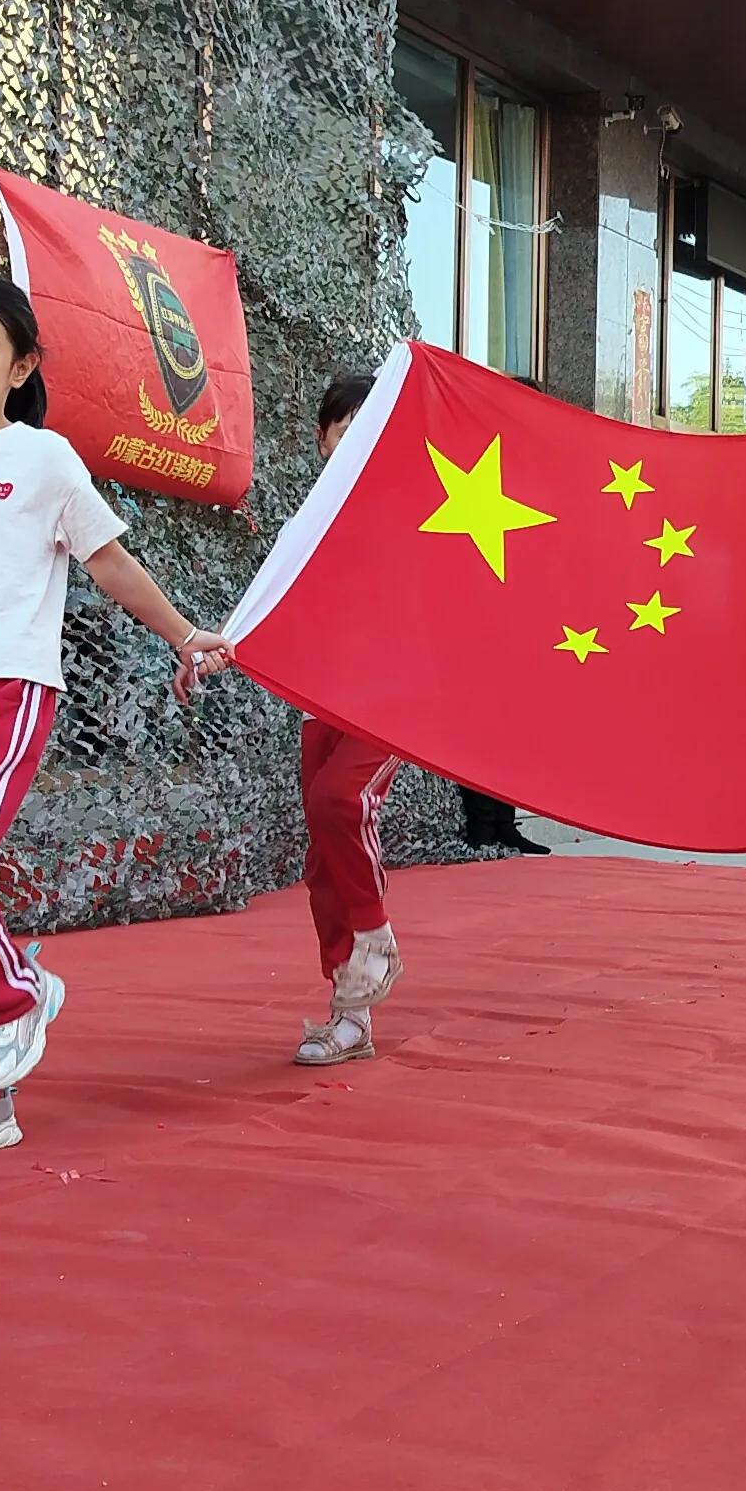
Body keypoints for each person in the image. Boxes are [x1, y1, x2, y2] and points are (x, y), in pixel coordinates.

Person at [0, 275, 230, 1159]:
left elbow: (110, 563)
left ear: (20, 367)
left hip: (8, 688)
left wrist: (183, 635)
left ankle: (18, 991)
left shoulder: (46, 457)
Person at [292, 372, 407, 1066]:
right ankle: (352, 1014)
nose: (355, 441)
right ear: (321, 440)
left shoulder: (414, 513)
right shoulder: (306, 523)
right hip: (324, 698)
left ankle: (375, 935)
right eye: (345, 428)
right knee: (321, 859)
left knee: (342, 798)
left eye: (372, 428)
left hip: (394, 699)